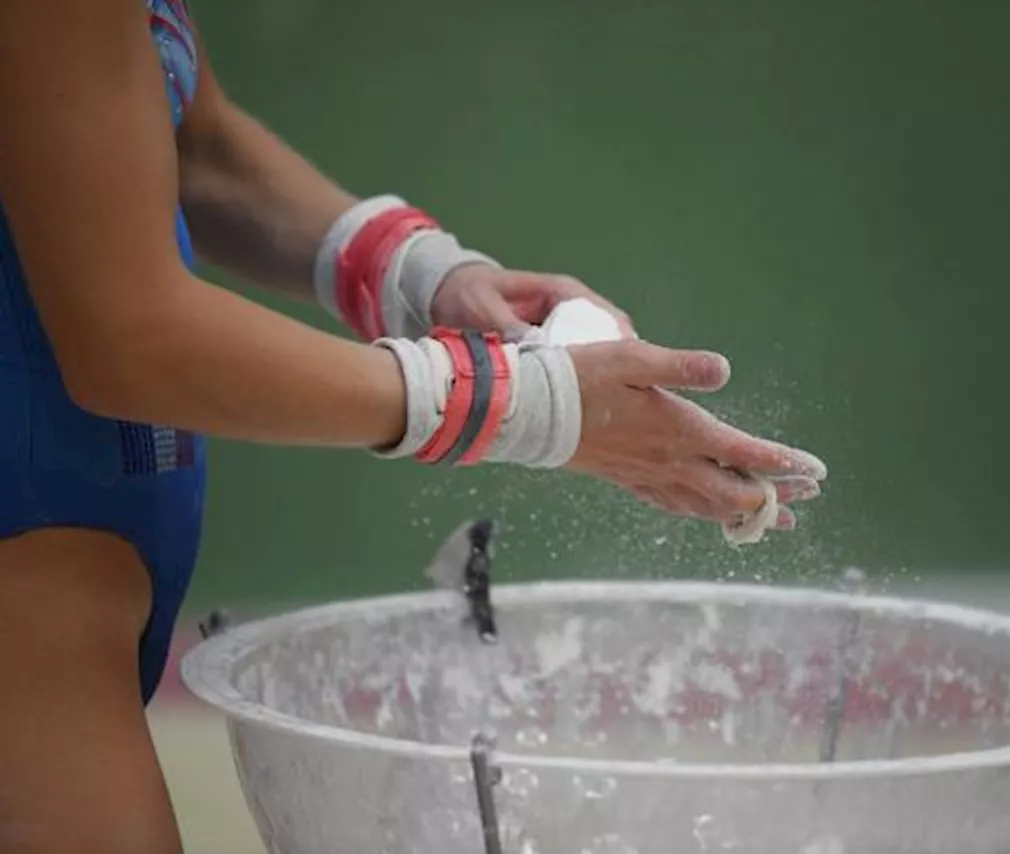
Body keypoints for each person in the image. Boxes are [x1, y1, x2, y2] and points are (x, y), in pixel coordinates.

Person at [0, 1, 826, 851]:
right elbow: (129, 339)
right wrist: (526, 405)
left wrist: (412, 268)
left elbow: (192, 145)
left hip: (87, 531)